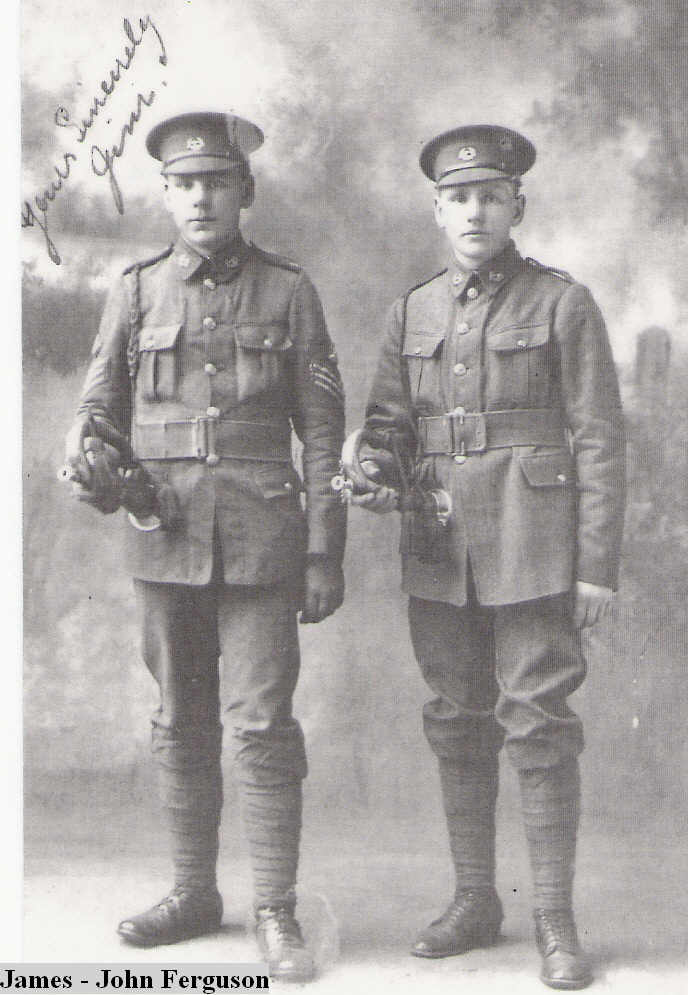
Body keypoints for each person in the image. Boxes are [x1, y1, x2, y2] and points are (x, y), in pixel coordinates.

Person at [63, 111, 346, 983]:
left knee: (261, 725)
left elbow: (326, 435)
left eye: (216, 183)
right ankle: (193, 892)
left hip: (264, 541)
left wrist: (324, 553)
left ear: (244, 194)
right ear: (167, 196)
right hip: (166, 533)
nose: (199, 198)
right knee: (178, 721)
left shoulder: (290, 291)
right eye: (184, 185)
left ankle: (274, 907)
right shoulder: (138, 288)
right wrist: (84, 451)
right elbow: (99, 404)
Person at [346, 125, 625, 990]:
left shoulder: (562, 303)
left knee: (538, 722)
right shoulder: (411, 311)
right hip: (439, 544)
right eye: (458, 197)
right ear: (437, 210)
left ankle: (553, 916)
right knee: (456, 717)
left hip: (535, 544)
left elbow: (601, 439)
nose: (474, 210)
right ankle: (476, 898)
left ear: (517, 207)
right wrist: (366, 465)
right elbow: (390, 426)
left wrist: (596, 566)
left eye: (490, 196)